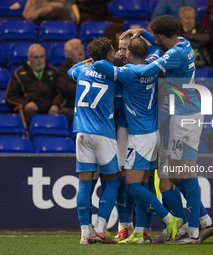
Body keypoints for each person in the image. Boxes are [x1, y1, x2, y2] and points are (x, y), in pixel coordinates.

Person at [124, 15, 213, 244]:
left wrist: (120, 67)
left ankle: (194, 230)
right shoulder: (182, 42)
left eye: (154, 36)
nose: (154, 39)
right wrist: (142, 33)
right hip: (180, 115)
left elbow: (147, 71)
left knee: (185, 173)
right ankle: (197, 223)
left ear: (161, 36)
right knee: (166, 179)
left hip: (186, 117)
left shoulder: (174, 54)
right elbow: (157, 45)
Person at [93, 36, 183, 244]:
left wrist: (111, 55)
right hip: (152, 135)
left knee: (134, 186)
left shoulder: (128, 73)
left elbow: (99, 64)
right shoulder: (152, 65)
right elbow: (155, 53)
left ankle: (171, 220)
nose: (122, 54)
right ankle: (141, 233)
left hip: (140, 137)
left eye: (125, 50)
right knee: (144, 184)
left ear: (131, 53)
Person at [68, 38, 121, 245]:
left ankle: (84, 233)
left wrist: (88, 60)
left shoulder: (81, 71)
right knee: (113, 181)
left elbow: (71, 69)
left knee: (84, 183)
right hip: (103, 134)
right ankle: (99, 229)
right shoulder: (113, 76)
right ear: (108, 55)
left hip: (81, 132)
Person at [6, 43, 63, 126]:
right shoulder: (18, 74)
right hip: (31, 110)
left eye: (42, 57)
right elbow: (10, 97)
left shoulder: (53, 72)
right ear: (29, 58)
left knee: (66, 112)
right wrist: (25, 104)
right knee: (28, 113)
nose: (39, 61)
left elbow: (60, 93)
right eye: (36, 57)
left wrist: (56, 105)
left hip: (50, 109)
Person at [57, 39, 85, 127]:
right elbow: (66, 87)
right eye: (76, 49)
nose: (80, 50)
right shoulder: (64, 69)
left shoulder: (91, 65)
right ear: (68, 54)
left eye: (81, 48)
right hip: (71, 104)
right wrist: (85, 88)